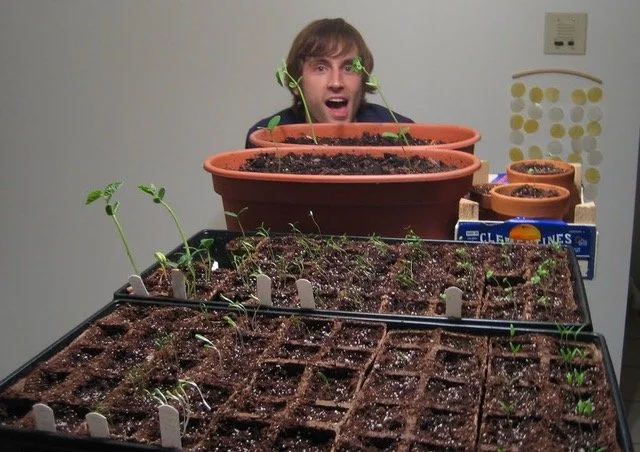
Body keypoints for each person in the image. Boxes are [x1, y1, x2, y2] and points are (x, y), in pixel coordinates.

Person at [245, 18, 413, 148]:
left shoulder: (401, 133)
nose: (336, 82)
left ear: (363, 79)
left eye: (348, 68)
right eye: (320, 68)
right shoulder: (265, 136)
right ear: (297, 83)